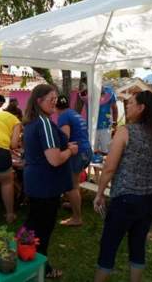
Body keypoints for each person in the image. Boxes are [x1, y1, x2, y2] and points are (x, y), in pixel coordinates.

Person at [93, 91, 152, 282]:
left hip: (128, 199)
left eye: (131, 103)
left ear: (142, 108)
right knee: (138, 242)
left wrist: (99, 193)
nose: (127, 106)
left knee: (109, 244)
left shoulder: (126, 131)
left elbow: (109, 168)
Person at [22, 84, 78, 279]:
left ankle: (22, 257)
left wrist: (64, 145)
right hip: (45, 185)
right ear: (39, 101)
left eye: (56, 99)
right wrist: (70, 150)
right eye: (51, 99)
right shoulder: (44, 123)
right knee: (42, 230)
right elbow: (54, 159)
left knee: (32, 224)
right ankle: (42, 269)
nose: (55, 102)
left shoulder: (31, 122)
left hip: (37, 182)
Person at [56, 94, 92, 227]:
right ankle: (73, 204)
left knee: (71, 185)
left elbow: (65, 137)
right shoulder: (73, 113)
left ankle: (77, 218)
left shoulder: (63, 116)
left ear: (55, 106)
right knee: (75, 182)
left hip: (78, 152)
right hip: (86, 150)